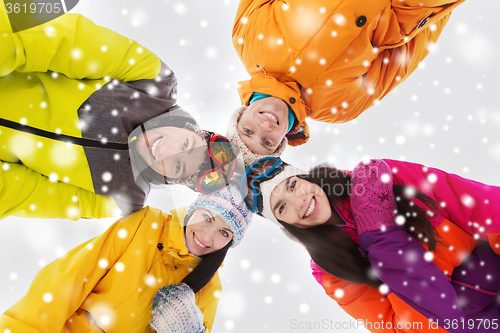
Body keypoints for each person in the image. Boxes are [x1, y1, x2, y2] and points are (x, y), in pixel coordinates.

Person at [0, 3, 236, 221]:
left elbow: (26, 194)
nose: (164, 152)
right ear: (189, 127)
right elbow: (65, 40)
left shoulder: (124, 197)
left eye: (177, 167)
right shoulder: (153, 81)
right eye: (185, 144)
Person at [242, 157, 500, 331]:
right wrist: (380, 235)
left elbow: (475, 203)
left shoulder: (377, 178)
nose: (300, 201)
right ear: (282, 222)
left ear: (306, 178)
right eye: (282, 207)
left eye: (293, 184)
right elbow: (416, 325)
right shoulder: (330, 271)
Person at [227, 0, 466, 167]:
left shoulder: (245, 37)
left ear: (240, 115)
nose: (263, 127)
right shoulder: (339, 108)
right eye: (267, 142)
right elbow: (402, 57)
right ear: (282, 142)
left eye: (248, 130)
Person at [0, 184, 252, 333]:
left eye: (224, 232)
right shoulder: (146, 223)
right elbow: (71, 278)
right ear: (195, 208)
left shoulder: (209, 287)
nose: (207, 237)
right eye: (207, 217)